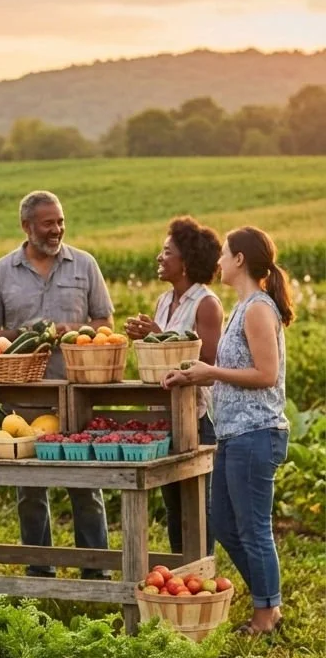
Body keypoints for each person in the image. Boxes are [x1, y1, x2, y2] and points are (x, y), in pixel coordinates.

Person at [0, 190, 114, 578]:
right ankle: (40, 572)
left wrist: (73, 329)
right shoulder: (0, 272)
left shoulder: (84, 265)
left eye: (60, 222)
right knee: (30, 490)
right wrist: (25, 334)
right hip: (23, 397)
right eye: (48, 223)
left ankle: (96, 571)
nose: (57, 230)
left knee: (86, 487)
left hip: (76, 396)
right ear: (27, 226)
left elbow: (105, 324)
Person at [163, 226, 293, 636]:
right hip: (234, 434)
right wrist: (192, 377)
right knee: (222, 523)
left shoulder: (257, 308)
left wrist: (211, 370)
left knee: (253, 528)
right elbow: (234, 373)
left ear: (240, 260)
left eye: (224, 255)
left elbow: (266, 375)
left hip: (257, 433)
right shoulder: (244, 306)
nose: (218, 262)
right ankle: (268, 599)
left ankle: (264, 614)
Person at [125, 217, 223, 555]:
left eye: (167, 252)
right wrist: (144, 337)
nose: (159, 257)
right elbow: (159, 352)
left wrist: (155, 334)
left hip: (194, 419)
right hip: (162, 416)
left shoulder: (206, 304)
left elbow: (208, 364)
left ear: (186, 262)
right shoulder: (165, 300)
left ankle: (201, 573)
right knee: (172, 506)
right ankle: (179, 578)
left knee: (197, 506)